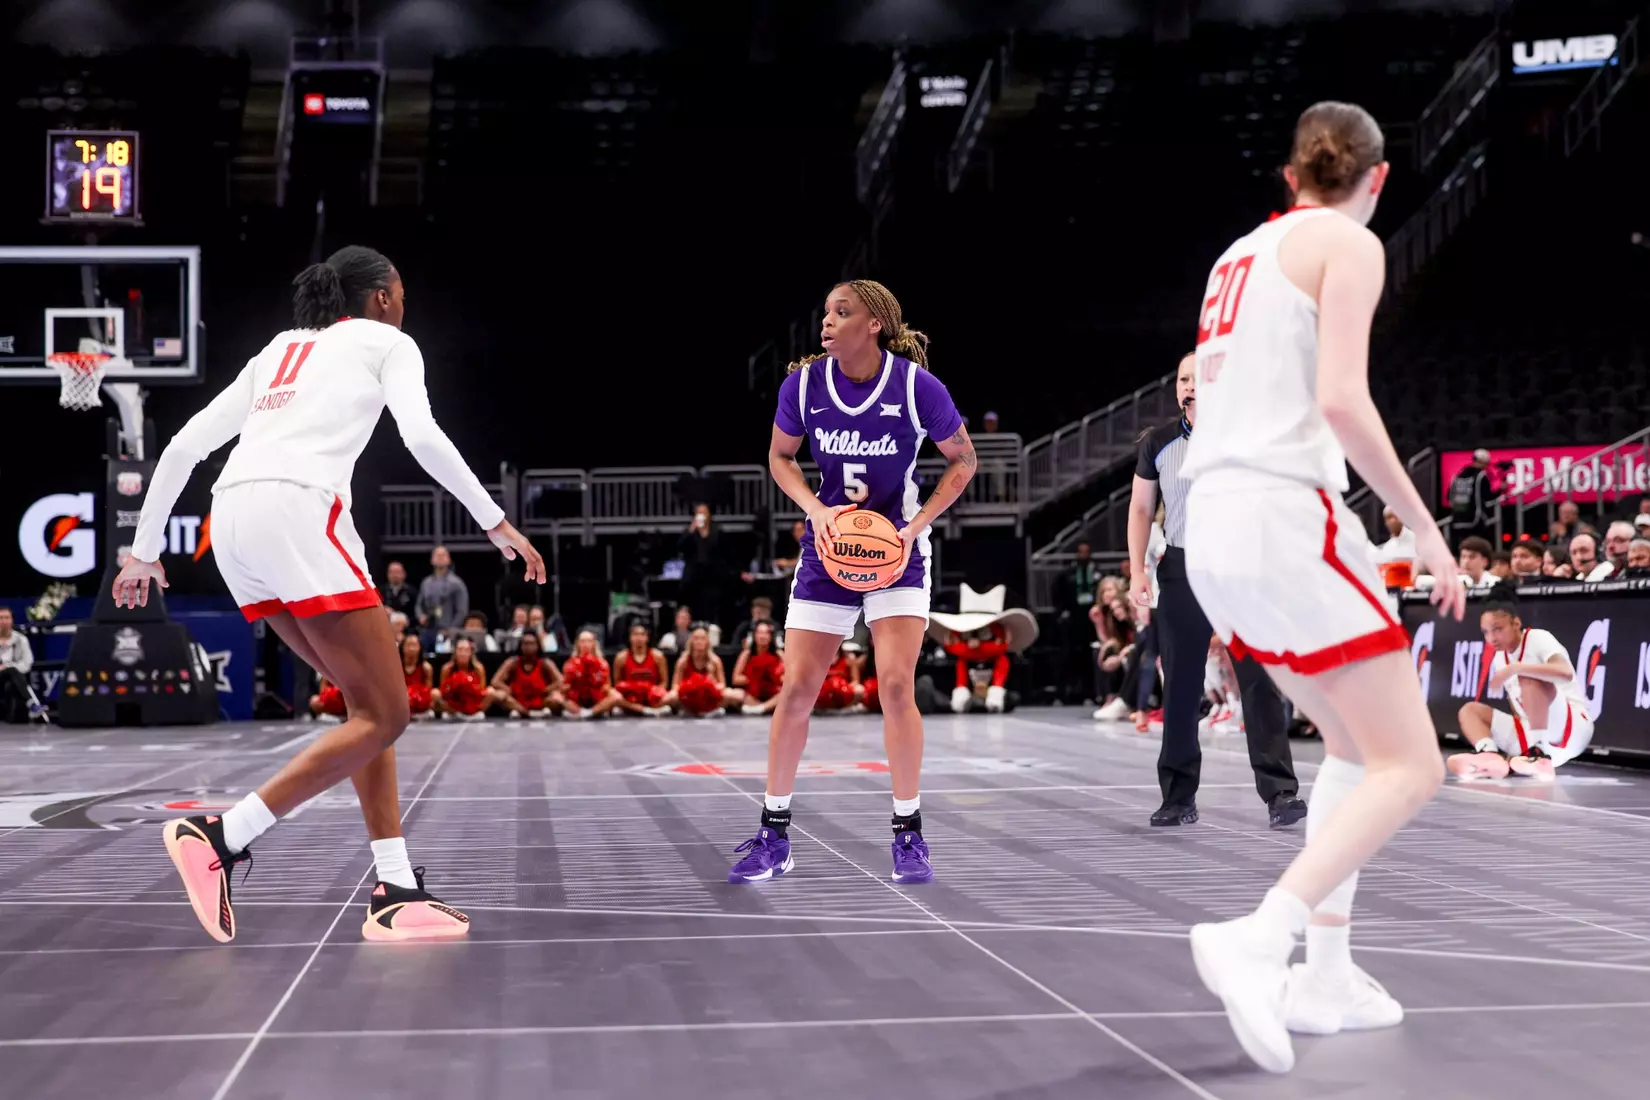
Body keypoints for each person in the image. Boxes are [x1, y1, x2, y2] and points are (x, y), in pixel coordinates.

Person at [114, 244, 545, 945]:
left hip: (232, 523)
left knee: (366, 707)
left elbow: (184, 448)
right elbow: (422, 436)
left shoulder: (278, 349)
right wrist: (495, 523)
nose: (404, 304)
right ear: (380, 297)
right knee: (390, 712)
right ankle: (221, 836)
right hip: (298, 511)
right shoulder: (388, 342)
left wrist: (145, 550)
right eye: (401, 291)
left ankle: (395, 888)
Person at [1178, 102, 1465, 1073]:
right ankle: (1264, 937)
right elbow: (1342, 398)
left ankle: (1328, 975)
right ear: (1374, 181)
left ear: (1290, 174)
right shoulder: (1346, 241)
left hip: (1209, 526)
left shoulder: (1234, 256)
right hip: (1279, 510)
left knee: (1351, 746)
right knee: (1414, 763)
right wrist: (1424, 530)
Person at [725, 279, 974, 886]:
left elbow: (963, 459)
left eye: (843, 312)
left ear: (875, 325)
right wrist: (816, 510)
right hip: (829, 551)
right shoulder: (804, 386)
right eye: (827, 313)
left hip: (897, 554)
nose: (828, 322)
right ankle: (774, 833)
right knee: (798, 689)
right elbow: (780, 457)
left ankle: (908, 834)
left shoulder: (918, 388)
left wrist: (914, 527)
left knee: (894, 685)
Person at [1129, 353, 1307, 829]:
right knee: (1182, 687)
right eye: (1183, 379)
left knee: (1258, 680)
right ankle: (1178, 798)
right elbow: (1142, 511)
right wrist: (1136, 573)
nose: (1190, 386)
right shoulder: (1158, 443)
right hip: (1183, 569)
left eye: (1198, 378)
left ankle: (1280, 794)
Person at [1450, 582, 1594, 783]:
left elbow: (1565, 672)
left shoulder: (1538, 638)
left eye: (1498, 629)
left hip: (1572, 729)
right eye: (1486, 632)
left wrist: (1517, 668)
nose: (1491, 638)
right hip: (1538, 734)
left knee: (1528, 676)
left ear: (1516, 623)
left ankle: (1537, 754)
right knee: (1470, 711)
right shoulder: (1499, 659)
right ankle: (1491, 756)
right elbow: (1519, 708)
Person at [679, 504, 733, 631]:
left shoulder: (717, 532)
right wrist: (690, 530)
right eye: (699, 512)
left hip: (713, 578)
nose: (701, 515)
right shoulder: (690, 533)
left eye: (704, 512)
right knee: (694, 606)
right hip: (694, 578)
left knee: (713, 606)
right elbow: (680, 548)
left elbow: (725, 553)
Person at [664, 625, 735, 716]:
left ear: (707, 642)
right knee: (671, 696)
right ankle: (689, 709)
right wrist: (689, 687)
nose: (699, 641)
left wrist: (710, 685)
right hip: (689, 695)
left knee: (729, 694)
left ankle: (711, 709)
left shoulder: (715, 661)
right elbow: (675, 685)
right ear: (691, 642)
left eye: (703, 639)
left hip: (709, 695)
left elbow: (722, 685)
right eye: (696, 638)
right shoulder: (683, 661)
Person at [489, 629, 561, 718]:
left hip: (540, 699)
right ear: (520, 646)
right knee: (498, 694)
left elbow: (561, 681)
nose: (528, 647)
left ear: (538, 645)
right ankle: (524, 712)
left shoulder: (545, 663)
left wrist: (546, 690)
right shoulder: (512, 662)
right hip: (517, 700)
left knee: (556, 697)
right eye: (525, 644)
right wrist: (509, 690)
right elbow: (495, 681)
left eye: (532, 643)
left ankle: (536, 711)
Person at [613, 623, 671, 716]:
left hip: (652, 696)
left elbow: (664, 682)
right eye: (635, 634)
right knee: (614, 697)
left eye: (642, 635)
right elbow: (617, 683)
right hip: (630, 697)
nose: (639, 638)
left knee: (671, 697)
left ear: (647, 638)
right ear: (630, 638)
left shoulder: (658, 656)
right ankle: (645, 710)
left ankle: (639, 709)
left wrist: (656, 693)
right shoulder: (621, 658)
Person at [561, 629, 620, 719]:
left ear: (594, 644)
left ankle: (589, 713)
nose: (586, 644)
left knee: (616, 696)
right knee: (556, 696)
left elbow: (608, 686)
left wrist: (599, 684)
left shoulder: (602, 663)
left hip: (596, 699)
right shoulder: (570, 664)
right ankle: (580, 711)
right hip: (577, 699)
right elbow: (564, 688)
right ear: (578, 644)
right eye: (583, 641)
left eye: (589, 641)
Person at [417, 546, 469, 645]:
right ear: (431, 560)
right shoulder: (426, 583)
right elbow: (419, 604)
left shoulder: (457, 583)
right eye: (437, 555)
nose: (440, 557)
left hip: (447, 629)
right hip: (428, 628)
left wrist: (452, 630)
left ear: (449, 560)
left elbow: (462, 610)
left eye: (443, 555)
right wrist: (420, 616)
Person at [733, 620, 785, 716]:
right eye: (759, 633)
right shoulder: (746, 654)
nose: (762, 636)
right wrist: (754, 677)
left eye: (766, 633)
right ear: (754, 635)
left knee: (787, 694)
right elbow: (736, 679)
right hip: (752, 694)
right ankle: (760, 706)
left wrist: (773, 677)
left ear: (771, 636)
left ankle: (762, 708)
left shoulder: (779, 654)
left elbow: (789, 678)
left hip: (773, 694)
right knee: (733, 694)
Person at [1447, 448, 1495, 545]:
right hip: (1475, 522)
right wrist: (1501, 489)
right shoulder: (1481, 476)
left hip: (1457, 521)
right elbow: (1488, 497)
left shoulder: (1458, 475)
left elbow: (1448, 496)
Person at [0, 606, 39, 723]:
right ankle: (31, 703)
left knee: (12, 679)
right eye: (0, 618)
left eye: (6, 618)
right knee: (11, 671)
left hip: (13, 678)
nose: (3, 621)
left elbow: (27, 663)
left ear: (11, 620)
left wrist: (9, 667)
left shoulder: (21, 640)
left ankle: (15, 716)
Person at [436, 635, 490, 720]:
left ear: (471, 653)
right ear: (455, 652)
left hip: (472, 703)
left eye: (466, 650)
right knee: (435, 694)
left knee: (491, 692)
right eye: (460, 650)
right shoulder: (447, 669)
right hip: (454, 703)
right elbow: (443, 691)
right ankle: (456, 714)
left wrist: (469, 688)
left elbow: (482, 691)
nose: (463, 653)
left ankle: (474, 713)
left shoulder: (478, 668)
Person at [399, 632, 438, 721]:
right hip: (402, 697)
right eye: (408, 645)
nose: (411, 648)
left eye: (414, 645)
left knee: (435, 693)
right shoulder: (396, 666)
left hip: (419, 697)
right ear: (402, 648)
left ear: (420, 648)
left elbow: (427, 689)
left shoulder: (426, 668)